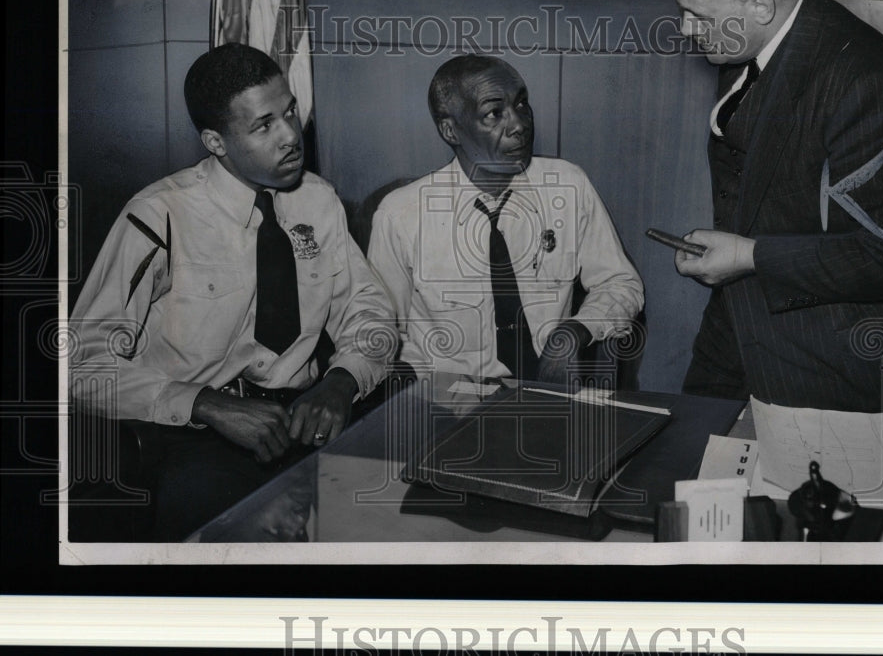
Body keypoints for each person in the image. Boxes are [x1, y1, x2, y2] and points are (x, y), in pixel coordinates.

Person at [70, 43, 396, 540]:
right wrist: (206, 405)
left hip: (304, 421)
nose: (291, 136)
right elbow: (81, 366)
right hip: (195, 438)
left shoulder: (318, 201)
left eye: (289, 111)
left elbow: (370, 312)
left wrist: (341, 381)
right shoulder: (159, 215)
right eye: (263, 125)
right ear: (215, 141)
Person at [670, 0, 883, 413]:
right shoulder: (742, 41)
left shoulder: (867, 79)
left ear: (760, 6)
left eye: (699, 17)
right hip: (734, 332)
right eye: (682, 11)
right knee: (694, 479)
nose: (686, 31)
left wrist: (750, 256)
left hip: (826, 358)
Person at [367, 55, 644, 385]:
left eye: (522, 104)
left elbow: (620, 282)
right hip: (449, 402)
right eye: (494, 113)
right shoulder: (401, 216)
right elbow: (379, 328)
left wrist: (573, 332)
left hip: (548, 393)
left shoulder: (568, 185)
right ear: (450, 129)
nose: (519, 124)